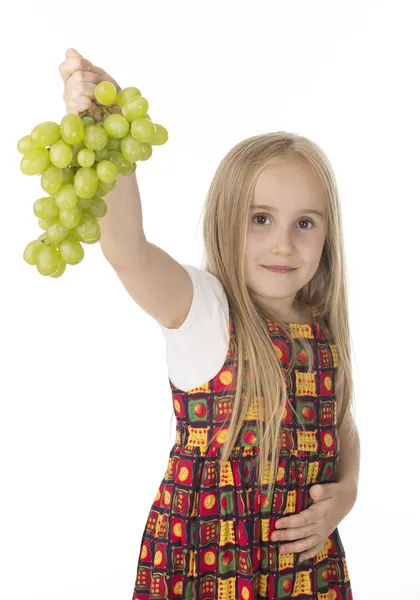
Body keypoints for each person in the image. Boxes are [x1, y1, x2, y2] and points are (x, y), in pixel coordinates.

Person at [59, 48, 360, 600]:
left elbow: (342, 427)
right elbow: (127, 249)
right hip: (203, 570)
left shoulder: (321, 330)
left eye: (305, 223)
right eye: (261, 218)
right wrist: (101, 136)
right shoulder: (205, 310)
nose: (283, 243)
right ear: (226, 218)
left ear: (327, 234)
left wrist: (347, 493)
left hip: (302, 575)